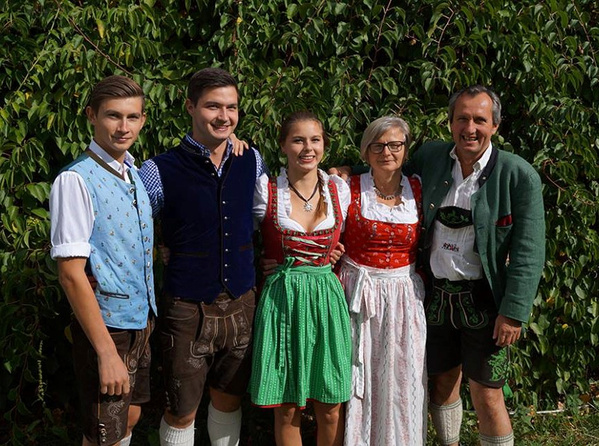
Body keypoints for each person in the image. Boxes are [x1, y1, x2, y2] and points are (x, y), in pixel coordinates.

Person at [404, 85, 545, 446]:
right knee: (441, 383)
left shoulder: (518, 175)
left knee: (487, 394)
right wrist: (349, 170)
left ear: (495, 125)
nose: (470, 128)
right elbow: (388, 172)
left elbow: (529, 251)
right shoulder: (430, 157)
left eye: (480, 120)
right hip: (434, 297)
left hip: (485, 302)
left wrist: (513, 312)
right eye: (462, 119)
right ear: (450, 122)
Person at [138, 67, 266, 446]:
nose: (224, 116)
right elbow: (133, 230)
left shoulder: (252, 160)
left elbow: (265, 219)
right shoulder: (157, 170)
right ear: (190, 107)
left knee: (229, 400)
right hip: (186, 306)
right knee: (182, 409)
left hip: (242, 300)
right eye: (213, 106)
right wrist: (158, 249)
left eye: (232, 107)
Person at [50, 75, 156, 446]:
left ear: (143, 120)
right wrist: (106, 352)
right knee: (102, 435)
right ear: (92, 115)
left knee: (130, 416)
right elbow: (70, 275)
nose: (124, 127)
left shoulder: (134, 173)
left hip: (140, 321)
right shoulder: (75, 180)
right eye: (113, 116)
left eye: (132, 117)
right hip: (107, 327)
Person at [250, 111, 352, 446]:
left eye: (315, 140)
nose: (307, 148)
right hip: (283, 300)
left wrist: (339, 252)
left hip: (326, 298)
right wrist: (257, 262)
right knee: (287, 408)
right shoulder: (266, 190)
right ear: (283, 145)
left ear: (324, 145)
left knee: (331, 405)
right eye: (298, 140)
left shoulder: (339, 189)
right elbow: (234, 236)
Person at [337, 116, 427, 445]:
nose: (386, 152)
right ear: (365, 152)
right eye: (377, 145)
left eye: (395, 145)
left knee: (402, 377)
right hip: (357, 293)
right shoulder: (347, 187)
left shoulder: (419, 188)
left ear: (405, 149)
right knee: (357, 376)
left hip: (404, 297)